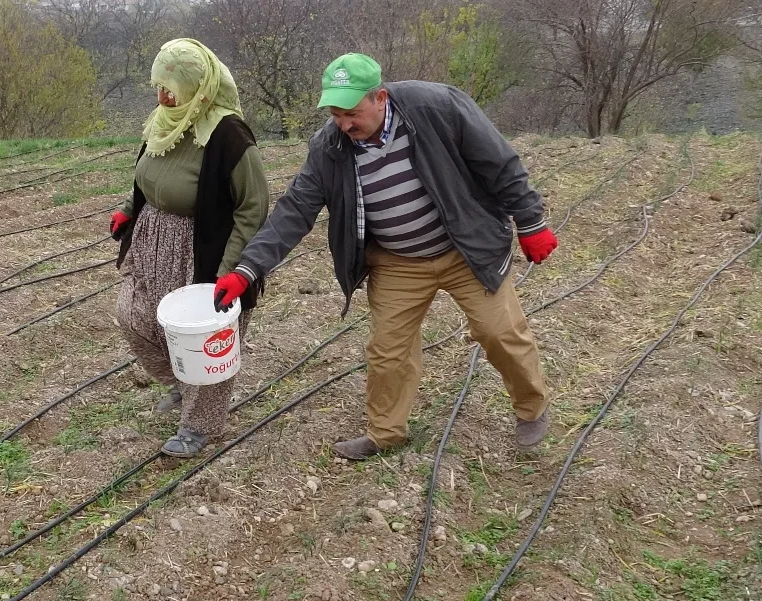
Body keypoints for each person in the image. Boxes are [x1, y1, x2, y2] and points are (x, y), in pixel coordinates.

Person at [212, 53, 557, 460]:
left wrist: (531, 222)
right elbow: (295, 210)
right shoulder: (329, 147)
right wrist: (247, 269)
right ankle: (385, 433)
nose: (344, 124)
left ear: (380, 98)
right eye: (335, 114)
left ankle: (531, 408)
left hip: (465, 248)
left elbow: (500, 163)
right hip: (398, 262)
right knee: (388, 352)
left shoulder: (437, 107)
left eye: (351, 113)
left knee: (498, 331)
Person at [110, 38, 269, 458]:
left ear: (197, 88)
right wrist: (128, 209)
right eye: (159, 86)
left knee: (206, 338)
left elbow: (253, 206)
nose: (163, 96)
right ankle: (183, 381)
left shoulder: (229, 135)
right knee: (135, 316)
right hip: (154, 240)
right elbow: (148, 173)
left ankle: (200, 426)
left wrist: (233, 269)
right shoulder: (163, 121)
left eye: (172, 88)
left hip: (205, 249)